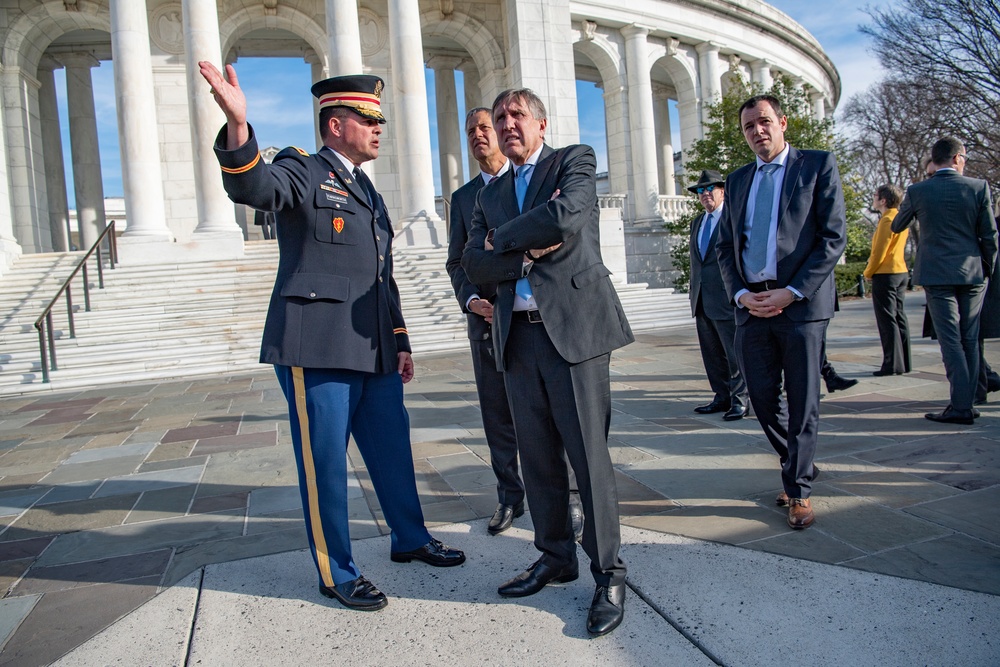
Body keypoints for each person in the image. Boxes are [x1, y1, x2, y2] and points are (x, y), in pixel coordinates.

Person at [198, 62, 464, 612]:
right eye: (367, 118)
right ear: (335, 123)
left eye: (379, 119)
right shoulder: (302, 168)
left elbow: (381, 275)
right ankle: (336, 570)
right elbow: (254, 186)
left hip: (374, 347)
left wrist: (401, 339)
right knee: (324, 465)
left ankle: (410, 539)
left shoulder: (368, 189)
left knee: (392, 450)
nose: (378, 128)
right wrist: (238, 125)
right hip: (316, 345)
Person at [462, 88, 633, 637]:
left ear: (540, 123)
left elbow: (565, 216)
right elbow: (471, 262)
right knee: (536, 459)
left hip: (574, 334)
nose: (507, 124)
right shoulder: (489, 192)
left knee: (588, 457)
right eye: (500, 116)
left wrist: (503, 244)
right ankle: (555, 556)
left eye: (518, 116)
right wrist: (521, 249)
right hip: (517, 339)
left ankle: (608, 572)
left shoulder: (572, 159)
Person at [716, 94, 847, 531]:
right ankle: (798, 462)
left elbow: (832, 238)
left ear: (783, 122)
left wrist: (792, 292)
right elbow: (724, 248)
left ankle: (798, 490)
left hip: (800, 305)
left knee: (804, 400)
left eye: (765, 122)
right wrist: (740, 295)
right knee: (762, 399)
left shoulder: (816, 165)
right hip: (752, 306)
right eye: (749, 126)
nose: (758, 131)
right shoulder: (736, 181)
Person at [445, 108, 523, 534]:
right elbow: (456, 261)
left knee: (549, 411)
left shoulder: (528, 181)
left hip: (532, 318)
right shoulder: (462, 199)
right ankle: (510, 497)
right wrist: (472, 299)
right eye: (471, 128)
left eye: (484, 127)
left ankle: (566, 497)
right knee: (497, 414)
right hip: (486, 320)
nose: (478, 134)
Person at [892, 136, 997, 425]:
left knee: (951, 340)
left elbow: (897, 225)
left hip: (937, 274)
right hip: (973, 272)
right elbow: (989, 235)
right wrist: (988, 267)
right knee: (970, 338)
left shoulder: (918, 190)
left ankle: (961, 405)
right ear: (956, 158)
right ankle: (971, 400)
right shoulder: (978, 188)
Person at [687, 169, 748, 420]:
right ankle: (721, 396)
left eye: (710, 188)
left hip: (726, 298)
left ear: (722, 191)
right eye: (700, 191)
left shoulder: (733, 219)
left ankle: (741, 399)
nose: (705, 194)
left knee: (735, 353)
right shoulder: (697, 223)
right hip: (701, 298)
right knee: (712, 353)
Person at [863, 184, 910, 376]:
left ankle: (891, 364)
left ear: (883, 200)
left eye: (875, 196)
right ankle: (904, 362)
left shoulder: (886, 220)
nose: (873, 199)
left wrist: (867, 272)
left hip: (885, 274)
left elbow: (879, 253)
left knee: (887, 320)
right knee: (899, 318)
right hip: (900, 271)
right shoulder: (900, 217)